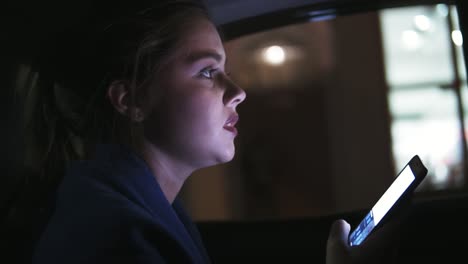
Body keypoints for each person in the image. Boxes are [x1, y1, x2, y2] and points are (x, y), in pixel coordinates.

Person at [11, 0, 401, 263]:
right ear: (130, 100)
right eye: (207, 71)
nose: (238, 92)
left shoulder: (128, 207)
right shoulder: (120, 237)